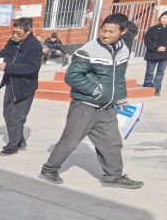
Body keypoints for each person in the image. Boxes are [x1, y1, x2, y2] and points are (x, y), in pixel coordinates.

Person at [40, 13, 142, 189]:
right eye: (103, 31)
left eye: (111, 32)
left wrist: (120, 97)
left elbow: (119, 77)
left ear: (123, 31)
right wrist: (96, 90)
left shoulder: (123, 49)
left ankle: (113, 177)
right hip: (85, 106)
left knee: (112, 143)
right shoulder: (88, 50)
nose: (106, 35)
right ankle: (49, 170)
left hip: (107, 108)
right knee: (70, 142)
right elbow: (72, 76)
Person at [0, 17, 43, 156]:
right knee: (8, 113)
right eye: (13, 32)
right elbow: (4, 54)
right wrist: (2, 63)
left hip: (25, 85)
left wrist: (8, 66)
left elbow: (32, 67)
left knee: (17, 116)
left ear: (28, 31)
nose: (15, 35)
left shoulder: (34, 46)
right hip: (11, 82)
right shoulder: (12, 42)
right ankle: (19, 141)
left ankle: (13, 146)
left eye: (19, 33)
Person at [143, 10, 167, 95]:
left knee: (160, 72)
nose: (164, 20)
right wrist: (156, 48)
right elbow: (147, 40)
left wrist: (166, 47)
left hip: (165, 53)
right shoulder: (153, 29)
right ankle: (146, 87)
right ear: (160, 18)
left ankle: (156, 89)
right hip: (152, 53)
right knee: (149, 71)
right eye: (163, 18)